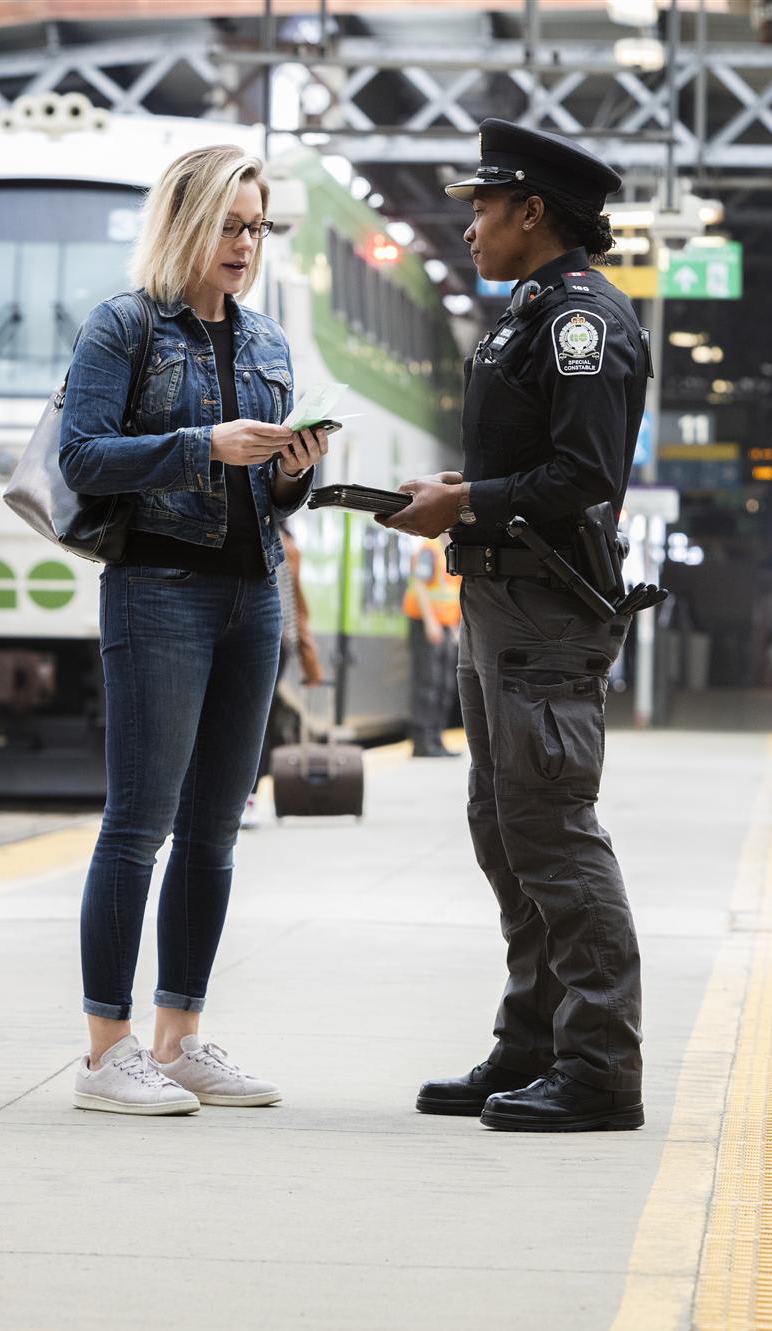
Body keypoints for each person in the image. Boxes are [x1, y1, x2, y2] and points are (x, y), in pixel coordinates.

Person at [381, 119, 648, 1132]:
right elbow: (531, 463)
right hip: (502, 598)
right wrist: (466, 492)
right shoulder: (529, 313)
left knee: (554, 834)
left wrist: (470, 501)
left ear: (532, 212)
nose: (471, 231)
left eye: (484, 209)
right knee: (505, 830)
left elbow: (585, 475)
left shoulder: (580, 320)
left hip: (547, 605)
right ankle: (531, 1043)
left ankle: (599, 1069)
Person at [58, 144, 331, 1115]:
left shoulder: (266, 345)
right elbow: (82, 457)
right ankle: (106, 1052)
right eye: (230, 223)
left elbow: (270, 498)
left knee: (215, 831)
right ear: (184, 222)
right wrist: (197, 448)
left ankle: (179, 1038)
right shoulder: (123, 329)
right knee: (138, 826)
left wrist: (293, 471)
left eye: (256, 228)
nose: (246, 244)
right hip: (158, 590)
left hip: (249, 595)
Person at [247, 522, 326, 826]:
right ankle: (247, 798)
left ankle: (249, 798)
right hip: (276, 639)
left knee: (254, 720)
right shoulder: (285, 538)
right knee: (255, 719)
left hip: (272, 638)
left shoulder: (279, 540)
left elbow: (293, 604)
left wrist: (308, 657)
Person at [404, 534, 462, 757]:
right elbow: (419, 585)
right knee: (427, 683)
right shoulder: (430, 549)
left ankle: (436, 739)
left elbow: (454, 593)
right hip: (426, 624)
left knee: (444, 685)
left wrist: (455, 627)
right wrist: (431, 622)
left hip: (446, 627)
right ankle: (422, 741)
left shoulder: (452, 550)